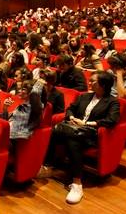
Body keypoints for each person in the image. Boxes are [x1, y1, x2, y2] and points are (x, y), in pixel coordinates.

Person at [39, 71, 120, 204]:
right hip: (74, 129)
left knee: (70, 138)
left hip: (91, 134)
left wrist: (87, 123)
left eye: (93, 81)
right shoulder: (84, 96)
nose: (89, 82)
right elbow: (70, 108)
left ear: (103, 85)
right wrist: (71, 117)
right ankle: (48, 167)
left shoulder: (112, 102)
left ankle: (77, 184)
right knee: (58, 134)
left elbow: (112, 120)